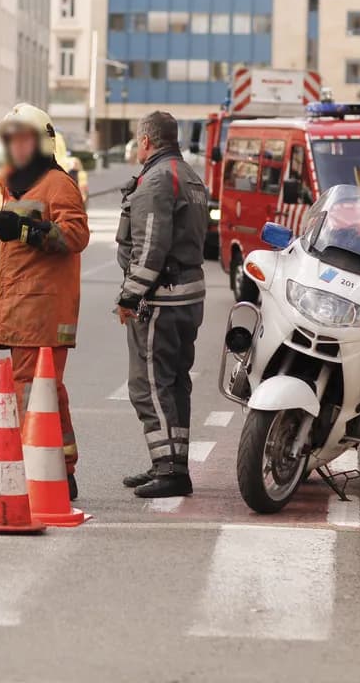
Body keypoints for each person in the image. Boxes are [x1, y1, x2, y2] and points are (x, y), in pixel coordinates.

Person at [0, 104, 89, 499]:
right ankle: (60, 468)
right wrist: (4, 224)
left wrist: (23, 228)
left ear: (41, 142)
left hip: (43, 310)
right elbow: (24, 237)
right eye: (12, 140)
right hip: (23, 307)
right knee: (45, 390)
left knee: (33, 390)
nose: (17, 147)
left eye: (24, 138)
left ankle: (43, 471)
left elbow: (75, 236)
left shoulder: (57, 184)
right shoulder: (16, 184)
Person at [116, 111, 208, 499]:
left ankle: (170, 470)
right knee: (174, 383)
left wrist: (130, 295)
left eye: (139, 140)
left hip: (161, 298)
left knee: (148, 385)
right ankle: (170, 462)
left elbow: (150, 247)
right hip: (188, 296)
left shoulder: (156, 180)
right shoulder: (188, 175)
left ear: (147, 141)